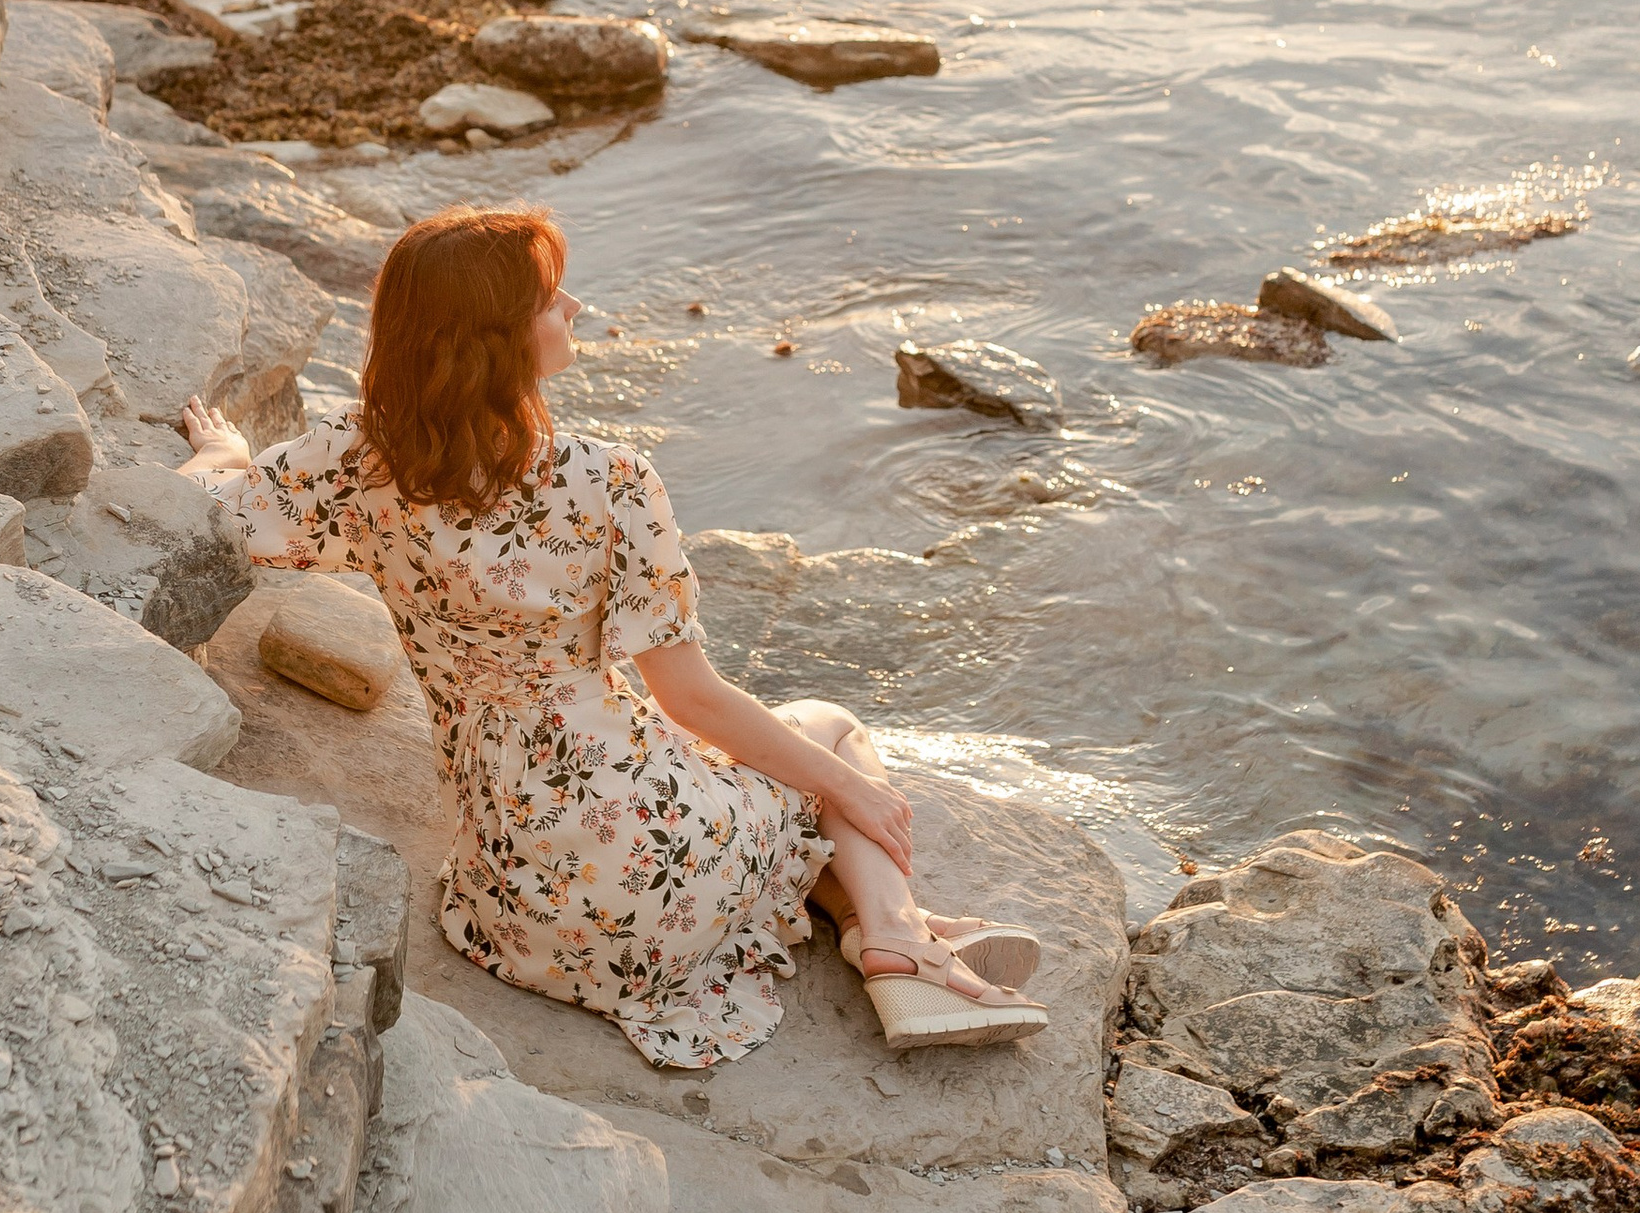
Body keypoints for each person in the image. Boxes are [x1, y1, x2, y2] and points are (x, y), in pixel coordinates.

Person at [176, 202, 1043, 1076]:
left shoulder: (360, 461)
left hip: (518, 898)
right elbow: (690, 697)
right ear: (499, 338)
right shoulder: (609, 480)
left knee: (782, 784)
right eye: (553, 299)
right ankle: (896, 933)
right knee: (827, 732)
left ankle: (871, 926)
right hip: (657, 873)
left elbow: (219, 514)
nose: (576, 307)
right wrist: (855, 790)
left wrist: (221, 455)